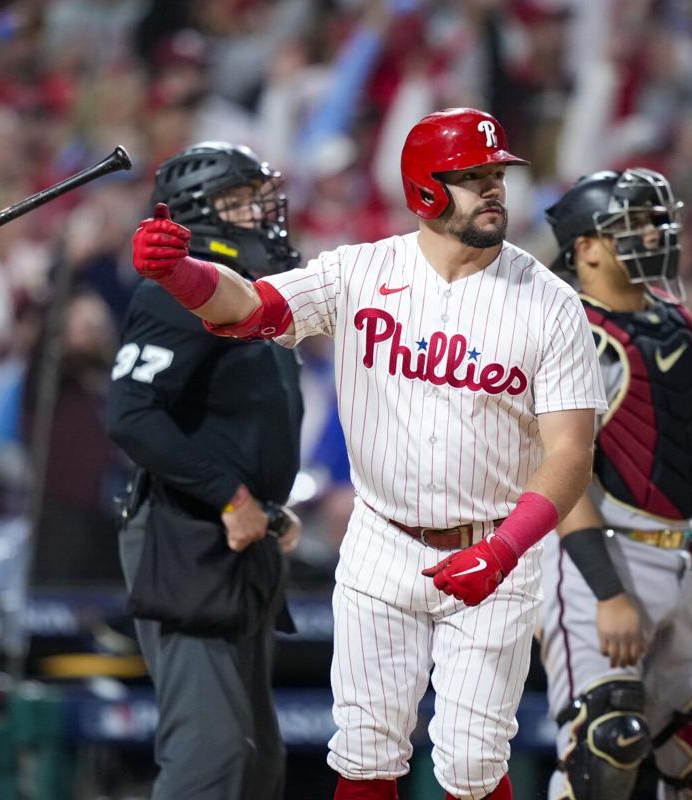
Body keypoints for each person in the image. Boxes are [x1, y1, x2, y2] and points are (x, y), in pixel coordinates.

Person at [129, 110, 607, 800]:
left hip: (496, 541)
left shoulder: (552, 305)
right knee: (364, 749)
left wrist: (503, 551)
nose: (493, 190)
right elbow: (252, 308)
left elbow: (570, 453)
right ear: (425, 193)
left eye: (496, 175)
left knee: (473, 764)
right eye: (472, 179)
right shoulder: (360, 271)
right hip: (382, 539)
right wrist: (181, 277)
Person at [538, 168, 692, 799]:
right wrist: (608, 590)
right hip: (595, 552)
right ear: (584, 247)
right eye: (630, 225)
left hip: (676, 555)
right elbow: (556, 474)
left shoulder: (673, 324)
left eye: (653, 221)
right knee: (604, 744)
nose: (650, 234)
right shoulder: (565, 332)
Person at [107, 142, 305, 800]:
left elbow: (243, 420)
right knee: (210, 754)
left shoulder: (248, 296)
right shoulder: (177, 291)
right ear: (200, 211)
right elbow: (131, 414)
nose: (261, 210)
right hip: (187, 534)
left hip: (238, 535)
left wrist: (268, 505)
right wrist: (230, 497)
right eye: (242, 198)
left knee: (255, 761)